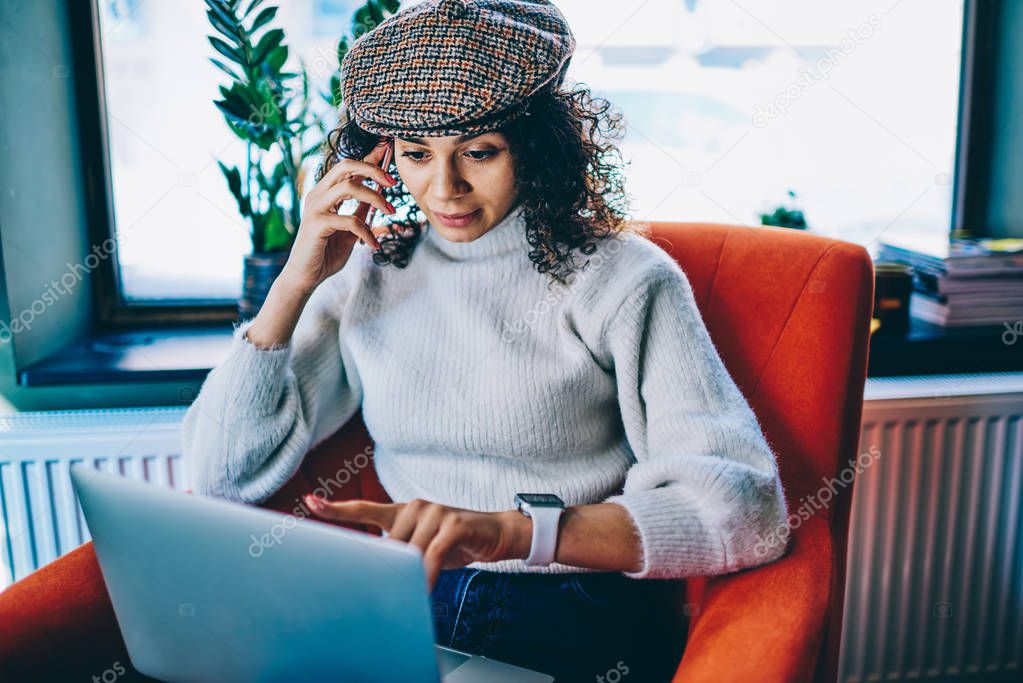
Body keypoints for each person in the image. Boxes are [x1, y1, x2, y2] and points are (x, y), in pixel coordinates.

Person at [181, 1, 791, 680]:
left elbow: (744, 510)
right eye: (416, 155)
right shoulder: (366, 274)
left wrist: (508, 530)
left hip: (574, 599)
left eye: (479, 152)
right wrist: (295, 280)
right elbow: (219, 475)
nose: (445, 188)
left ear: (537, 144)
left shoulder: (624, 278)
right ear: (381, 158)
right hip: (407, 593)